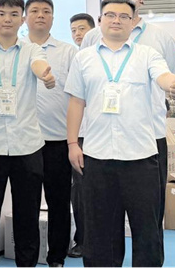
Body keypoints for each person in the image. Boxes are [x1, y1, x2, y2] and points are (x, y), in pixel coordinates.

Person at [65, 0, 175, 267]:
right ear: (100, 21)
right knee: (99, 232)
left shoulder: (147, 55)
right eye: (110, 15)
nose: (116, 20)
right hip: (97, 156)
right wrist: (73, 143)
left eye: (124, 16)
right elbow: (76, 102)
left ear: (133, 22)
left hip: (140, 158)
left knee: (147, 229)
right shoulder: (84, 58)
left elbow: (163, 76)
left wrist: (173, 86)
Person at [0, 0, 56, 268]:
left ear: (22, 19)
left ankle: (26, 264)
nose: (7, 19)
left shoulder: (32, 50)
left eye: (14, 14)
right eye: (1, 13)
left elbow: (39, 64)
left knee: (27, 216)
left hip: (27, 145)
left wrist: (45, 74)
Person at [25, 0, 77, 267]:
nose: (40, 15)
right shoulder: (18, 49)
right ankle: (28, 257)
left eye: (46, 11)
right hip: (25, 142)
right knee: (27, 204)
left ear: (53, 18)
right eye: (34, 11)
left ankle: (56, 257)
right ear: (25, 17)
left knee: (59, 203)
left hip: (57, 140)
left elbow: (78, 96)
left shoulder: (68, 52)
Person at [67, 15, 94, 258]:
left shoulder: (97, 59)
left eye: (82, 29)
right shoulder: (74, 59)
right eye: (74, 30)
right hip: (80, 136)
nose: (78, 34)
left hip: (99, 135)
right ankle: (83, 240)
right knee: (80, 191)